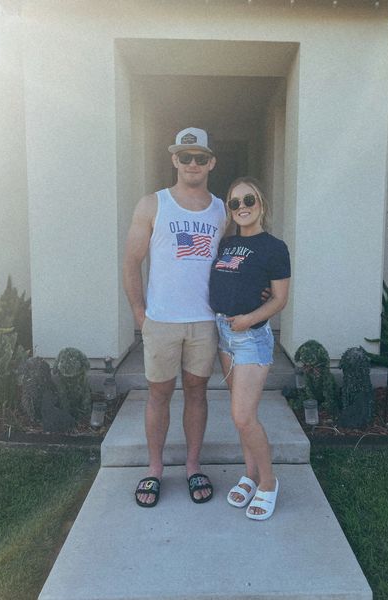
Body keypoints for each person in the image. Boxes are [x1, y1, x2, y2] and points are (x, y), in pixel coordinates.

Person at [123, 127, 226, 507]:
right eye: (186, 157)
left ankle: (193, 465)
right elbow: (132, 262)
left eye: (201, 157)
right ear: (175, 160)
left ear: (211, 162)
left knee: (197, 392)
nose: (193, 163)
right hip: (162, 321)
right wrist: (140, 314)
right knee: (159, 394)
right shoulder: (153, 204)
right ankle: (154, 469)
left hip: (203, 321)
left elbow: (231, 263)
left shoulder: (221, 210)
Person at [209, 176, 291, 520]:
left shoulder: (274, 247)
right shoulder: (225, 244)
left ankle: (269, 482)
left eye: (248, 200)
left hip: (250, 337)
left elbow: (280, 299)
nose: (241, 207)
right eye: (234, 203)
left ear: (261, 205)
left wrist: (250, 318)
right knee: (242, 418)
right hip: (224, 333)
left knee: (243, 416)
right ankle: (250, 473)